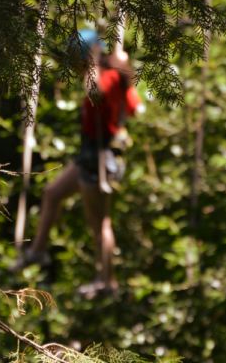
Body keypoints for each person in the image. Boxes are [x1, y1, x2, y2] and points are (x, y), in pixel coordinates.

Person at [10, 29, 142, 299]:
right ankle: (37, 251)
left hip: (101, 156)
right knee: (52, 193)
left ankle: (108, 282)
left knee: (99, 224)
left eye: (77, 61)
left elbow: (96, 93)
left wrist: (98, 62)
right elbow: (135, 108)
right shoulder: (114, 74)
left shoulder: (108, 76)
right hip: (91, 155)